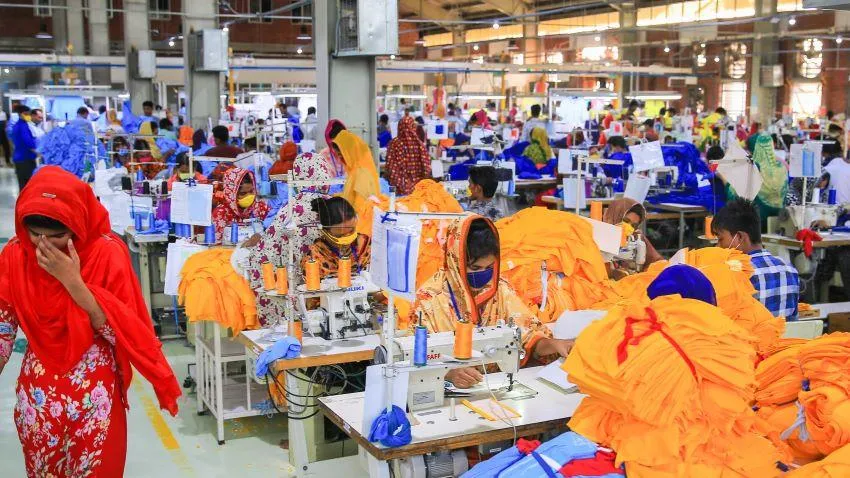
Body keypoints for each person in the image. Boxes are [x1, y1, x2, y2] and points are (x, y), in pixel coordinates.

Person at [0, 166, 180, 477]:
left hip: (95, 397)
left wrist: (74, 283)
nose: (44, 246)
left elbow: (124, 334)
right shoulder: (16, 255)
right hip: (39, 400)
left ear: (76, 224)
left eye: (57, 237)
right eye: (35, 234)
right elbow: (3, 327)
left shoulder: (106, 254)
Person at [411, 216, 574, 388]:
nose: (484, 274)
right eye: (475, 268)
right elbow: (416, 357)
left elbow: (527, 337)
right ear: (456, 260)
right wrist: (447, 373)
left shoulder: (499, 289)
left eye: (489, 267)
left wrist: (553, 345)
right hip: (449, 392)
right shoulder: (429, 299)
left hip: (492, 384)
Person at [248, 152, 334, 322]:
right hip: (323, 283)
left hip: (290, 284)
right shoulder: (332, 205)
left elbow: (268, 245)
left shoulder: (292, 205)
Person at [712, 198, 800, 320]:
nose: (717, 246)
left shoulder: (736, 275)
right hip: (785, 332)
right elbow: (794, 321)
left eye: (720, 239)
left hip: (749, 333)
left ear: (740, 237)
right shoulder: (790, 270)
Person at [302, 196, 371, 279]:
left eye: (351, 231)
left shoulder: (365, 244)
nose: (347, 239)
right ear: (324, 231)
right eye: (340, 236)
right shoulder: (314, 258)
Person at [332, 130, 380, 234]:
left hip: (359, 228)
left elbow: (361, 206)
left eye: (341, 154)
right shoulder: (354, 171)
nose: (340, 159)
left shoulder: (361, 173)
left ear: (351, 152)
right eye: (338, 155)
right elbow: (350, 195)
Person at [602, 198, 663, 278]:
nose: (629, 227)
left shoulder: (636, 236)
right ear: (614, 215)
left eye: (633, 225)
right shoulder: (595, 235)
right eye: (626, 221)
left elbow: (658, 262)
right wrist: (613, 272)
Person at [211, 167, 270, 244]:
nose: (249, 196)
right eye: (243, 193)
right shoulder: (221, 213)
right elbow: (216, 244)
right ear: (232, 193)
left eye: (251, 191)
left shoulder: (260, 208)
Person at [385, 116, 431, 196]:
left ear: (399, 127)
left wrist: (400, 185)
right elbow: (427, 168)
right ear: (413, 127)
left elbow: (391, 168)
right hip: (419, 189)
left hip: (399, 189)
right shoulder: (420, 145)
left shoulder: (394, 144)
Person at [11, 106, 38, 191]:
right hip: (25, 159)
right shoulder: (22, 126)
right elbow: (28, 142)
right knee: (27, 185)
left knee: (23, 184)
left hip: (20, 158)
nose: (29, 116)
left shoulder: (18, 125)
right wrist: (38, 152)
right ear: (21, 114)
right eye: (27, 114)